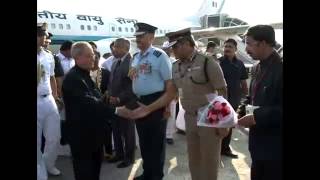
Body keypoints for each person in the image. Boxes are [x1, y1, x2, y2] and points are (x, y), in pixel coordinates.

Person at [62, 41, 132, 180]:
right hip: (82, 137)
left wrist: (109, 99)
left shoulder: (84, 74)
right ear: (77, 57)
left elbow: (97, 96)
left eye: (93, 55)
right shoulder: (73, 78)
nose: (93, 58)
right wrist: (117, 111)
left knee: (94, 171)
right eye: (89, 56)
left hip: (93, 135)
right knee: (85, 172)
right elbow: (89, 103)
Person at [165, 28, 229, 180]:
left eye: (175, 46)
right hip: (190, 117)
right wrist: (157, 108)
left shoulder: (207, 62)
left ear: (187, 43)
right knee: (194, 159)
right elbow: (171, 92)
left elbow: (222, 91)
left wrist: (222, 122)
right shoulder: (175, 66)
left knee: (209, 160)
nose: (172, 50)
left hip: (209, 117)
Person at [128, 22, 176, 180]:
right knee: (144, 140)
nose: (138, 39)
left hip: (157, 101)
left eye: (141, 36)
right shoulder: (135, 57)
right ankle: (147, 172)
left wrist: (168, 107)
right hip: (139, 101)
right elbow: (133, 77)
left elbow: (170, 84)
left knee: (156, 142)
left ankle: (155, 175)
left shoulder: (159, 56)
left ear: (151, 37)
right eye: (136, 36)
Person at [238, 25, 282, 180]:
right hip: (257, 143)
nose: (246, 48)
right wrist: (239, 113)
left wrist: (257, 117)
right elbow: (252, 97)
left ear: (263, 43)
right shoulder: (257, 67)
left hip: (276, 146)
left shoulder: (280, 68)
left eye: (249, 43)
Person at [107, 38, 137, 168]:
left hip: (127, 103)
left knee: (127, 132)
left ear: (126, 48)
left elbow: (132, 85)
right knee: (116, 130)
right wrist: (109, 94)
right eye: (114, 47)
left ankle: (129, 158)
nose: (114, 49)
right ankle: (119, 154)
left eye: (117, 47)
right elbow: (111, 82)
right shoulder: (115, 62)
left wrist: (119, 98)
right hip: (113, 103)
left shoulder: (132, 63)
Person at [37, 22, 61, 176]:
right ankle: (40, 173)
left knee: (54, 137)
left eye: (43, 35)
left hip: (49, 100)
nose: (43, 38)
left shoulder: (48, 55)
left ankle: (48, 164)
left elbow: (52, 77)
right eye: (40, 35)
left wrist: (56, 96)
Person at [218, 38, 248, 158]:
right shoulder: (218, 62)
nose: (227, 49)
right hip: (220, 99)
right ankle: (216, 148)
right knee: (218, 123)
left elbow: (243, 82)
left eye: (230, 46)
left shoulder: (240, 64)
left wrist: (246, 97)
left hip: (234, 98)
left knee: (229, 123)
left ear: (235, 49)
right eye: (226, 46)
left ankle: (225, 148)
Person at [162, 41, 177, 145]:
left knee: (171, 113)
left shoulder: (174, 62)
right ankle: (161, 134)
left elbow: (177, 79)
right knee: (160, 114)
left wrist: (177, 93)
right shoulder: (158, 60)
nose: (166, 51)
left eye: (168, 49)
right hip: (160, 92)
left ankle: (169, 135)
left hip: (171, 91)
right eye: (165, 49)